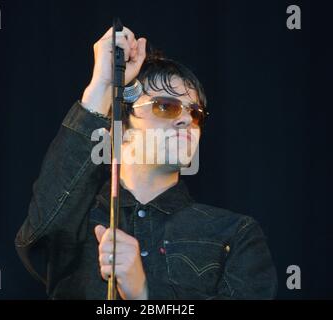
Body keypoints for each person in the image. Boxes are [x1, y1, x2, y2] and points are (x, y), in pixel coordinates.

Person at [15, 26, 277, 300]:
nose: (186, 119)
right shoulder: (77, 220)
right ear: (121, 130)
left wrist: (144, 295)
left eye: (196, 113)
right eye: (166, 106)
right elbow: (38, 233)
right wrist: (102, 86)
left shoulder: (235, 233)